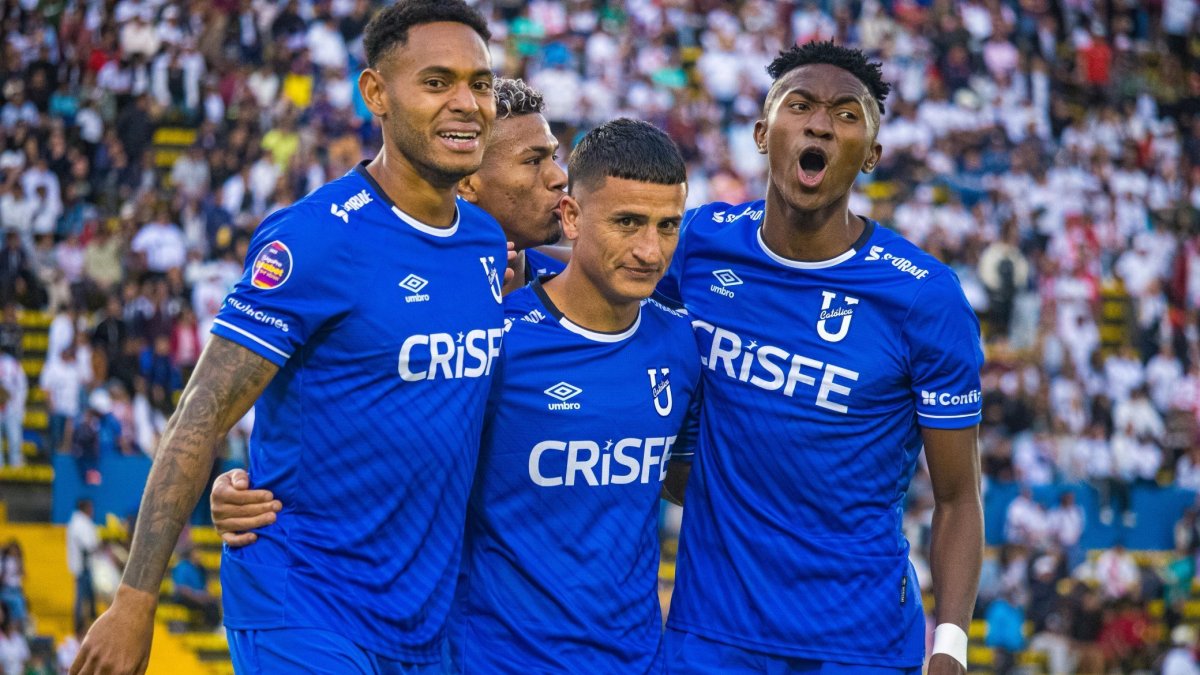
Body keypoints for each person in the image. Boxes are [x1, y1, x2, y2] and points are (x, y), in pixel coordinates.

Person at [71, 2, 507, 673]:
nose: (467, 103)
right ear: (375, 94)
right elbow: (204, 408)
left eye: (480, 83)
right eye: (436, 81)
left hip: (424, 617)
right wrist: (134, 600)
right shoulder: (316, 238)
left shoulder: (484, 241)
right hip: (304, 599)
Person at [215, 119, 700, 673]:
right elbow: (390, 431)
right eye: (627, 222)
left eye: (668, 227)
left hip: (638, 658)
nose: (649, 248)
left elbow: (688, 479)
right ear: (573, 216)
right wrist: (255, 482)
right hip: (491, 656)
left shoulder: (679, 341)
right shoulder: (491, 334)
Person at [655, 42, 984, 674]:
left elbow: (957, 498)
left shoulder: (923, 296)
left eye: (847, 113)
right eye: (799, 105)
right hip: (711, 635)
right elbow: (591, 281)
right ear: (761, 133)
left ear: (872, 155)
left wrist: (950, 648)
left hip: (858, 644)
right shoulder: (698, 244)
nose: (820, 124)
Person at [455, 77, 568, 291]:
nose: (560, 178)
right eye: (533, 161)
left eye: (553, 157)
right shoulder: (415, 289)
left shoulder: (579, 282)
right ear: (467, 184)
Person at [65, 500, 98, 635]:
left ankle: (90, 616)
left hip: (85, 565)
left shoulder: (80, 523)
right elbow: (88, 545)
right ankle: (79, 622)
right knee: (81, 595)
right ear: (86, 508)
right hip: (83, 566)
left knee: (89, 594)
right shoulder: (79, 524)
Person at [0, 347, 25, 467]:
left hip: (11, 405)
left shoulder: (13, 363)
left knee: (15, 439)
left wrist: (17, 405)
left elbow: (21, 386)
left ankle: (16, 468)